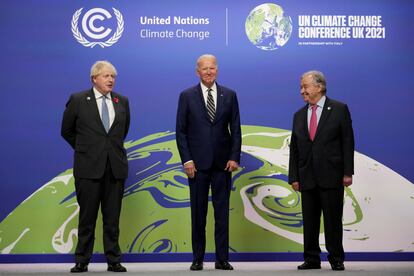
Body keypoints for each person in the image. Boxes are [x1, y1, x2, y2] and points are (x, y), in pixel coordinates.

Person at [61, 61, 130, 273]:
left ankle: (113, 260)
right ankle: (82, 259)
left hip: (115, 168)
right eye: (106, 76)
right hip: (88, 168)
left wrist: (108, 151)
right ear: (94, 78)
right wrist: (87, 149)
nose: (111, 80)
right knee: (87, 217)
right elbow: (67, 131)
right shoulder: (78, 100)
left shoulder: (122, 101)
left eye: (113, 76)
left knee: (112, 218)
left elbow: (123, 131)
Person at [176, 54, 241, 271]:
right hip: (197, 165)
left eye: (212, 68)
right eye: (204, 69)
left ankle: (222, 259)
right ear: (197, 72)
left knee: (222, 214)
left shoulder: (229, 95)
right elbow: (181, 131)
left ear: (217, 70)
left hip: (223, 164)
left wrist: (234, 157)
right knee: (198, 214)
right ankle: (198, 258)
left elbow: (236, 129)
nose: (209, 72)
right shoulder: (186, 96)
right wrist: (187, 160)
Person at [288, 70, 354, 271]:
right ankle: (311, 259)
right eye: (301, 87)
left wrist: (347, 172)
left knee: (333, 220)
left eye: (305, 86)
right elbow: (295, 148)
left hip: (332, 175)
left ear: (319, 87)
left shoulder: (339, 109)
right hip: (307, 176)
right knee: (309, 221)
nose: (302, 91)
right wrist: (294, 177)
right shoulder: (298, 115)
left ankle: (336, 258)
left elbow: (347, 142)